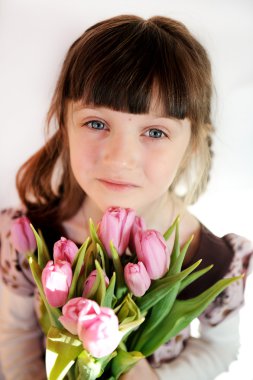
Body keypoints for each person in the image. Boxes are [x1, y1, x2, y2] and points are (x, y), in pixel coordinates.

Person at [0, 14, 252, 380]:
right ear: (65, 125)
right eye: (97, 123)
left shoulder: (213, 262)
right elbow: (16, 334)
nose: (119, 158)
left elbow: (219, 348)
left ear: (191, 141)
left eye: (154, 131)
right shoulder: (29, 240)